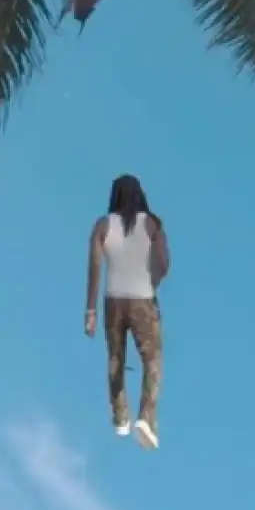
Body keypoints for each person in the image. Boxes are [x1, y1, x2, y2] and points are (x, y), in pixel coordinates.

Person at [84, 174, 170, 449]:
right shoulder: (152, 224)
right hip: (143, 300)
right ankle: (146, 417)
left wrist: (90, 311)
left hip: (113, 300)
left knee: (115, 358)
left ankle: (121, 416)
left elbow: (95, 268)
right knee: (152, 360)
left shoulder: (103, 225)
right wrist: (152, 281)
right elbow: (164, 263)